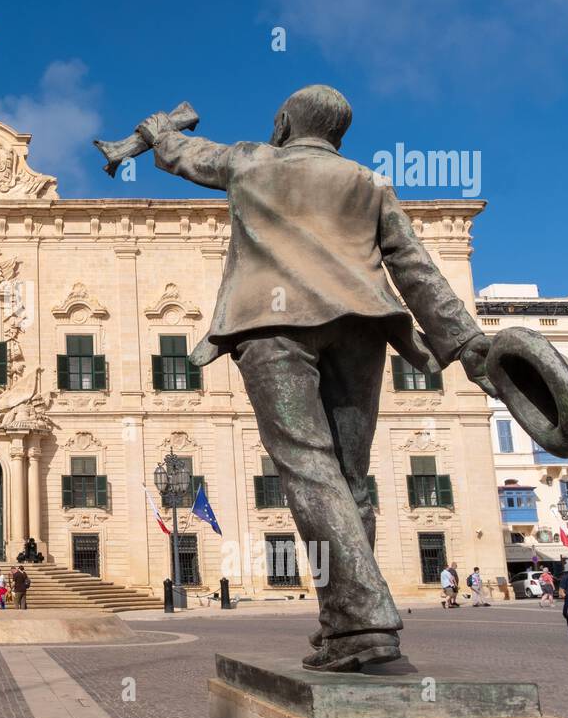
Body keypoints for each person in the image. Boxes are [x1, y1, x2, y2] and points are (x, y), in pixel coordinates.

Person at [139, 84, 499, 671]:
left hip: (273, 325)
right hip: (362, 326)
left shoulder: (253, 159)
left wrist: (160, 133)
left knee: (308, 465)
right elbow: (413, 264)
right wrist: (463, 341)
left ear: (283, 122)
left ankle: (365, 622)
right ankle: (344, 625)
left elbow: (187, 156)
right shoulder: (367, 180)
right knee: (351, 480)